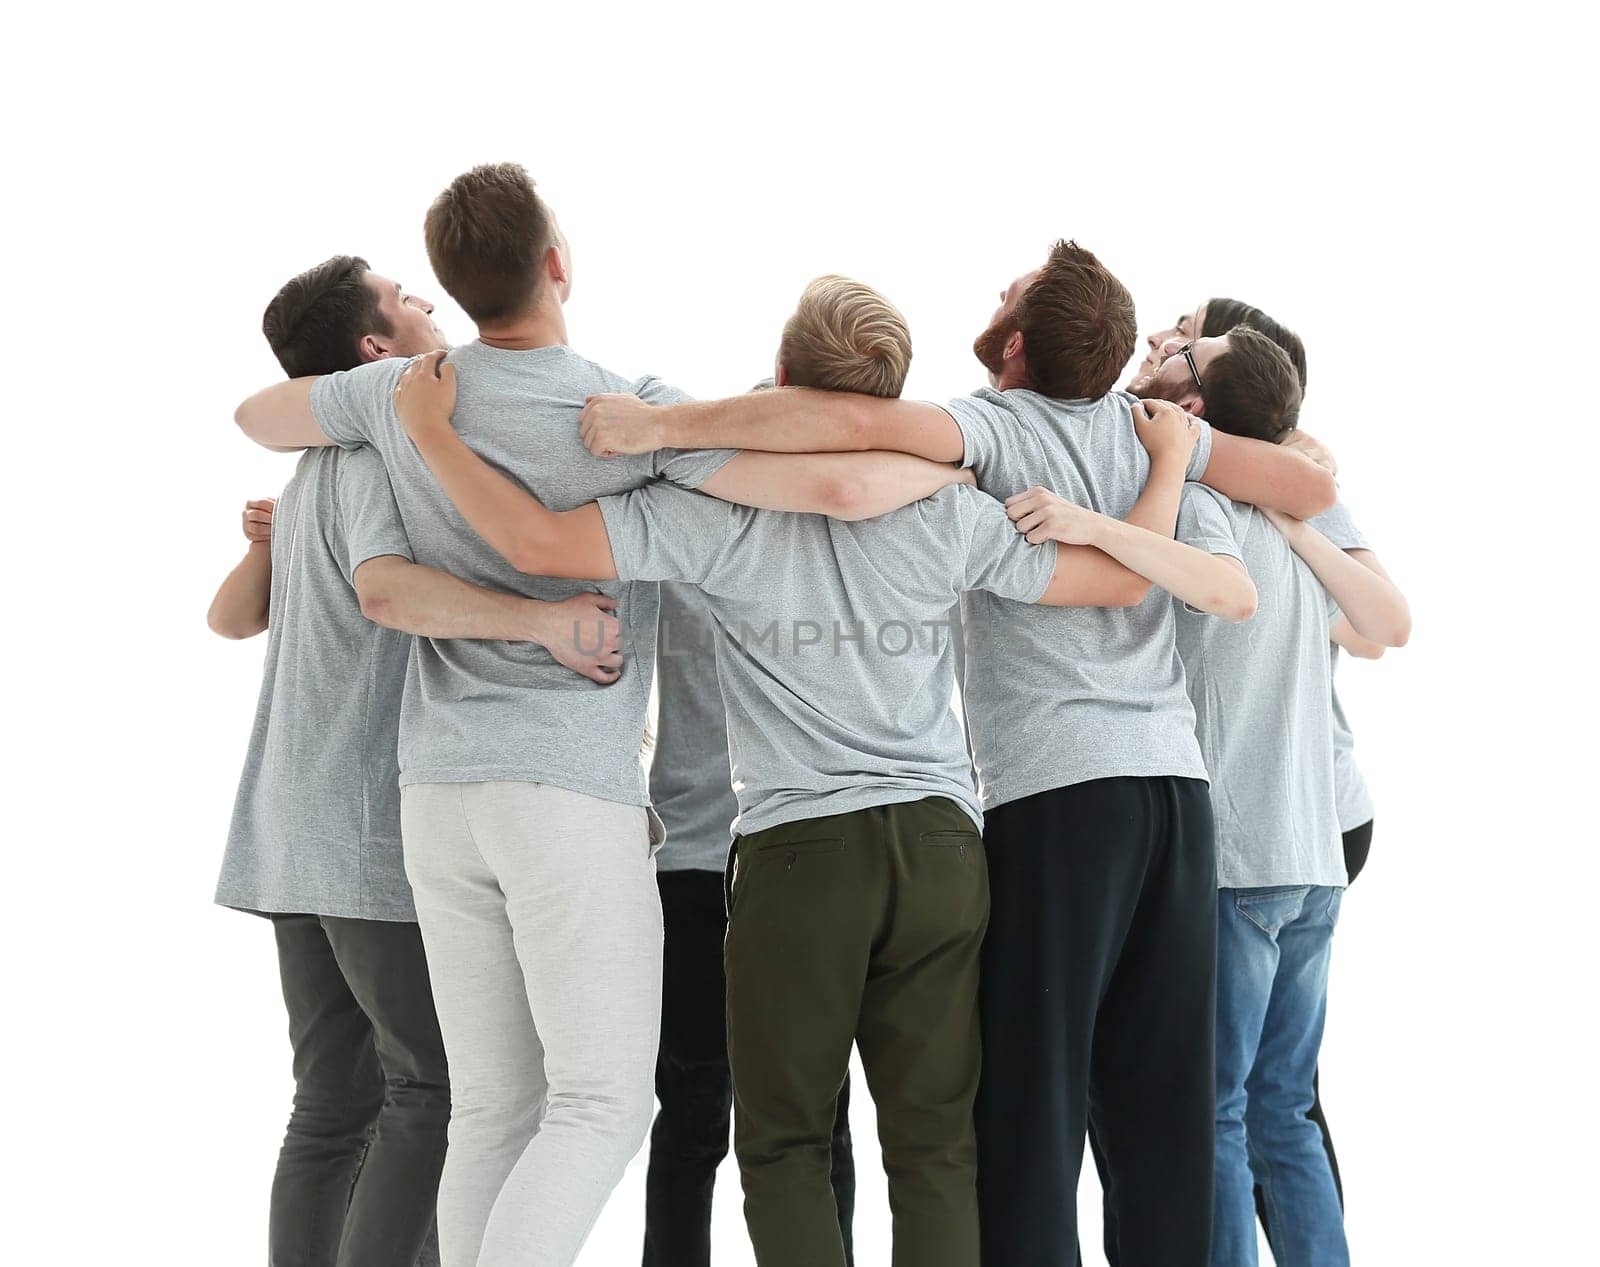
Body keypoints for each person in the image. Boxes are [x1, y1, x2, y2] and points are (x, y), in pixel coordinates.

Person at [387, 271, 1255, 1267]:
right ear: (880, 403)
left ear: (786, 381)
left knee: (787, 1142)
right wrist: (1130, 501)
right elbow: (1109, 580)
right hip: (940, 845)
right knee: (935, 1145)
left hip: (798, 854)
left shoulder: (711, 514)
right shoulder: (953, 506)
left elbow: (534, 540)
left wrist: (437, 437)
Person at [231, 169, 979, 1267]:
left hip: (437, 792)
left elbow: (257, 414)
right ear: (557, 265)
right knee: (599, 1105)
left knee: (492, 1105)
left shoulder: (396, 398)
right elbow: (829, 484)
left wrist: (409, 410)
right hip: (565, 791)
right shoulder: (619, 411)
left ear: (451, 281)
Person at [209, 255, 622, 1267]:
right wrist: (543, 625)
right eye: (406, 298)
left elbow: (230, 617)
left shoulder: (311, 472)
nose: (431, 302)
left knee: (334, 1105)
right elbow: (393, 596)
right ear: (374, 352)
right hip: (362, 828)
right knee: (435, 1092)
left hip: (288, 826)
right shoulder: (374, 458)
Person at [1161, 350, 1410, 1264]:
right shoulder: (1306, 513)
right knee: (1286, 1109)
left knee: (1221, 1112)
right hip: (1315, 857)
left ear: (1199, 408)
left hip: (1243, 859)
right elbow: (1382, 625)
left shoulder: (1203, 511)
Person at [647, 449, 855, 1265]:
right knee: (710, 1109)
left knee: (803, 1116)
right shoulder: (674, 550)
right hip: (705, 861)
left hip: (795, 857)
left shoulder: (834, 552)